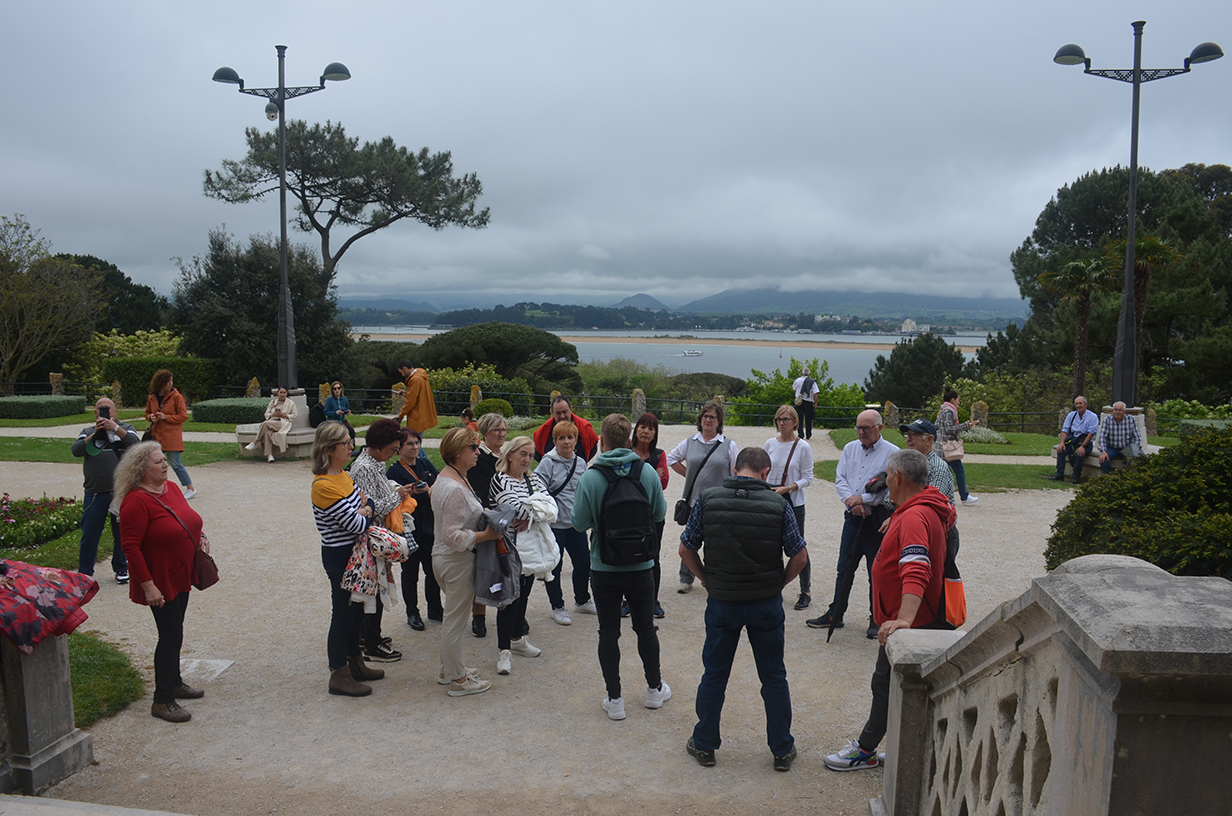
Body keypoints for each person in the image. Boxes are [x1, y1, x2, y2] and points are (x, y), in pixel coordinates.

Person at [824, 448, 954, 772]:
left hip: (909, 622)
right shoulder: (920, 507)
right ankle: (898, 747)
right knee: (889, 686)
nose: (884, 482)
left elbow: (916, 567)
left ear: (897, 477)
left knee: (883, 685)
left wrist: (904, 619)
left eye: (886, 475)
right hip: (915, 617)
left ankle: (865, 750)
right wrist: (896, 517)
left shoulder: (913, 516)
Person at [679, 447, 808, 771]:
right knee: (773, 676)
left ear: (735, 469)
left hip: (723, 601)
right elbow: (800, 556)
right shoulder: (778, 504)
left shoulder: (708, 499)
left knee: (715, 674)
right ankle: (782, 748)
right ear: (766, 473)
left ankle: (705, 743)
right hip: (765, 602)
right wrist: (778, 584)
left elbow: (685, 548)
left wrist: (707, 580)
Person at [572, 413, 670, 722]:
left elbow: (579, 523)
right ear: (629, 440)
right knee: (645, 628)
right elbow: (659, 513)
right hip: (641, 564)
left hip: (604, 565)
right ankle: (654, 689)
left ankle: (615, 699)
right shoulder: (647, 472)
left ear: (601, 441)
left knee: (608, 631)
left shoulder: (591, 477)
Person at [114, 441, 210, 722]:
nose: (165, 464)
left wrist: (201, 536)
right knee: (169, 635)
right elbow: (130, 547)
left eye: (164, 460)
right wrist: (148, 586)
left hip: (181, 571)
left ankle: (175, 682)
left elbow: (187, 519)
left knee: (176, 629)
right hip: (159, 578)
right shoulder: (135, 501)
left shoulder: (171, 488)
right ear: (141, 469)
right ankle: (162, 700)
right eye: (158, 462)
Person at [807, 409, 898, 640]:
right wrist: (852, 501)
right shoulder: (850, 448)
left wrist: (863, 499)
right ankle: (835, 614)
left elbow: (890, 490)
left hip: (876, 521)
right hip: (853, 518)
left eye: (866, 428)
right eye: (858, 427)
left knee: (876, 571)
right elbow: (840, 479)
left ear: (879, 428)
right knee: (844, 568)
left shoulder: (893, 453)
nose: (861, 432)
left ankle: (876, 618)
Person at [310, 423, 384, 697]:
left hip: (356, 551)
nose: (351, 446)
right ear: (330, 448)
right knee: (342, 613)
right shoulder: (323, 485)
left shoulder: (343, 475)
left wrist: (365, 508)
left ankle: (355, 662)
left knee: (356, 611)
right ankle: (338, 673)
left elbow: (368, 503)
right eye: (345, 443)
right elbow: (356, 523)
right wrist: (365, 509)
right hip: (341, 555)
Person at [432, 427, 500, 697]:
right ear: (457, 451)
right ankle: (458, 681)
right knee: (456, 622)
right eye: (473, 448)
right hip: (456, 561)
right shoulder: (455, 488)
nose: (478, 452)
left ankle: (447, 669)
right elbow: (452, 536)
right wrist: (487, 535)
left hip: (445, 559)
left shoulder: (447, 478)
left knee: (453, 618)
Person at [348, 419, 416, 663]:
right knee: (373, 589)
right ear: (378, 446)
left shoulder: (376, 462)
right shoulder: (364, 468)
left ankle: (369, 636)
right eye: (392, 449)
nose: (394, 454)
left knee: (377, 587)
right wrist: (397, 496)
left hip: (379, 534)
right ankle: (371, 642)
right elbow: (372, 508)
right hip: (371, 537)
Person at [489, 435, 548, 674]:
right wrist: (535, 513)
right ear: (510, 454)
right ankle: (503, 650)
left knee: (523, 594)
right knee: (507, 600)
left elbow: (550, 507)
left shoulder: (534, 479)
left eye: (530, 455)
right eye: (523, 454)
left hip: (530, 550)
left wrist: (532, 515)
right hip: (507, 549)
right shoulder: (499, 479)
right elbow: (514, 510)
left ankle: (516, 638)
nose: (527, 459)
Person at [666, 402, 739, 593]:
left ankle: (715, 577)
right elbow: (671, 459)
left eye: (712, 417)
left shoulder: (729, 445)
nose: (708, 420)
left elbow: (736, 472)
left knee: (717, 543)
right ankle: (686, 579)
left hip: (719, 502)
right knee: (689, 541)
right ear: (700, 419)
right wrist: (690, 476)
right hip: (694, 501)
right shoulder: (690, 442)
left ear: (719, 421)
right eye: (705, 416)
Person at [536, 420, 595, 624]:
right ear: (554, 441)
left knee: (584, 563)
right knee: (555, 567)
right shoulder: (547, 463)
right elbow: (538, 490)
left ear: (576, 440)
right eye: (561, 438)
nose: (566, 442)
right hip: (555, 526)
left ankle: (582, 600)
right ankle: (557, 606)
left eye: (570, 437)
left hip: (575, 525)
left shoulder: (581, 463)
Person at [72, 397, 136, 584]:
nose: (104, 412)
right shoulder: (87, 432)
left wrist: (114, 428)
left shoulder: (126, 428)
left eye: (107, 409)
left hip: (121, 492)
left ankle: (121, 568)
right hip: (95, 492)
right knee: (90, 534)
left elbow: (135, 444)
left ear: (115, 412)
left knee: (121, 533)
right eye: (101, 409)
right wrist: (96, 433)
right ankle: (85, 573)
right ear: (95, 413)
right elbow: (76, 450)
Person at [386, 427, 441, 628]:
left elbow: (439, 482)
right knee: (410, 573)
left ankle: (435, 608)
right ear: (399, 448)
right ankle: (412, 612)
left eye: (417, 442)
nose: (415, 447)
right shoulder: (393, 471)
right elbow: (393, 500)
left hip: (429, 525)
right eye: (409, 443)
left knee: (432, 571)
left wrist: (428, 489)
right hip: (408, 529)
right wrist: (412, 493)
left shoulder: (424, 462)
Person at [765, 405, 814, 610]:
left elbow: (807, 478)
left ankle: (805, 590)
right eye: (779, 419)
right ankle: (773, 587)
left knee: (797, 546)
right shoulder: (770, 444)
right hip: (772, 499)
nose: (782, 423)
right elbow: (764, 470)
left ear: (795, 422)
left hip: (793, 501)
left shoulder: (802, 447)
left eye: (786, 419)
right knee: (771, 544)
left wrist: (789, 488)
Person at [465, 412, 508, 638]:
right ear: (485, 433)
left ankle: (509, 612)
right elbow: (483, 492)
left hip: (506, 517)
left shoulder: (505, 455)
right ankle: (478, 616)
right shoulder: (479, 458)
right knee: (482, 568)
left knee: (506, 567)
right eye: (496, 430)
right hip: (485, 519)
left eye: (504, 430)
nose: (501, 434)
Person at [628, 412, 669, 618]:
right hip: (628, 513)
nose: (646, 431)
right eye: (642, 427)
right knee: (628, 555)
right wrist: (652, 477)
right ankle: (628, 600)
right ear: (636, 430)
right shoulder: (626, 452)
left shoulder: (659, 455)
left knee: (653, 556)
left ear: (655, 434)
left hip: (652, 514)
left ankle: (652, 599)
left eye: (651, 428)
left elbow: (663, 482)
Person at [144, 369, 195, 499]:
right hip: (156, 434)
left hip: (171, 436)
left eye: (171, 381)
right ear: (161, 383)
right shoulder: (152, 396)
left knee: (175, 463)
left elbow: (183, 416)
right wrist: (151, 417)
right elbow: (147, 413)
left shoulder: (177, 397)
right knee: (153, 462)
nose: (170, 383)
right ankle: (155, 487)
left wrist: (166, 417)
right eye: (168, 381)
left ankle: (190, 488)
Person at [935, 388, 979, 505]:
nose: (959, 402)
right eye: (958, 400)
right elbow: (950, 429)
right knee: (959, 471)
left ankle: (940, 495)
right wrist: (966, 425)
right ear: (953, 400)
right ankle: (964, 496)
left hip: (941, 447)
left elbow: (936, 425)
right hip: (949, 448)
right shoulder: (949, 412)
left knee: (943, 472)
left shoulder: (942, 410)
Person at [533, 396, 599, 461]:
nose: (562, 416)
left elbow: (593, 448)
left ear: (571, 409)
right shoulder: (543, 432)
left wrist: (581, 464)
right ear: (552, 412)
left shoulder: (585, 428)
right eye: (558, 413)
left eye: (565, 412)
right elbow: (537, 453)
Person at [1051, 395, 1099, 485]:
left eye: (1080, 403)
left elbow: (1091, 434)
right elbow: (1065, 430)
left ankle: (1076, 476)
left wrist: (1083, 446)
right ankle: (1059, 474)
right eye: (1076, 404)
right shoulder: (1071, 415)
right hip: (1073, 440)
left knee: (1079, 453)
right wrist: (1062, 443)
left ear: (1086, 404)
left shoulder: (1093, 417)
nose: (1078, 405)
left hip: (1085, 442)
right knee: (1061, 450)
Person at [244, 386, 297, 462]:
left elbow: (294, 415)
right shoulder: (273, 402)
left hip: (282, 422)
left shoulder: (290, 403)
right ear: (277, 393)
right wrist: (272, 415)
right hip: (272, 421)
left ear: (286, 393)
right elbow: (266, 413)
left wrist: (284, 415)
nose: (282, 394)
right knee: (267, 433)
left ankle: (255, 442)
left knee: (265, 424)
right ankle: (269, 455)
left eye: (284, 393)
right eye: (281, 392)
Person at [1098, 401, 1143, 474]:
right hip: (1112, 448)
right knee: (1103, 460)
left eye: (1120, 410)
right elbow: (1102, 437)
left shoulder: (1131, 419)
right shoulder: (1107, 420)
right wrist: (1103, 451)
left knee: (1138, 460)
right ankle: (1113, 476)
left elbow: (1137, 437)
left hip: (1127, 447)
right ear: (1113, 411)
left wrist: (1135, 449)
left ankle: (1130, 477)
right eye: (1115, 410)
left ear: (1125, 412)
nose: (1117, 412)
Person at [396, 359, 438, 432]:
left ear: (404, 368)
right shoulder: (421, 375)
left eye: (401, 372)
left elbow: (410, 401)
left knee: (414, 437)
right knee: (417, 437)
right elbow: (418, 395)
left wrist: (401, 415)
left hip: (417, 415)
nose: (402, 375)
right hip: (422, 412)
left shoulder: (415, 379)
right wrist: (407, 394)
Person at [792, 367, 821, 440]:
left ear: (802, 373)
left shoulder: (797, 380)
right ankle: (808, 434)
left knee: (799, 418)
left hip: (799, 401)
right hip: (808, 402)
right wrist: (816, 403)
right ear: (809, 374)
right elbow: (815, 393)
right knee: (808, 419)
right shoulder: (812, 382)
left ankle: (800, 434)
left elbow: (794, 388)